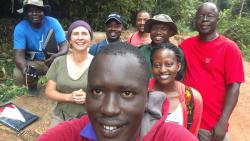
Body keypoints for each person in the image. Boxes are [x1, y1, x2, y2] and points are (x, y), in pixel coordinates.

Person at [37, 42, 198, 141]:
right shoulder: (73, 133)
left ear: (147, 100)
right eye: (98, 91)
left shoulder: (169, 137)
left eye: (126, 93)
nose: (109, 109)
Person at [179, 2, 245, 141]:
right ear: (195, 19)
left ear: (217, 20)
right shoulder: (186, 45)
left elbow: (234, 86)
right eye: (201, 16)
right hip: (187, 122)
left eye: (210, 16)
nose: (204, 20)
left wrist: (223, 122)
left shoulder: (230, 48)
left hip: (212, 126)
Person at [13, 0, 68, 96]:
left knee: (63, 78)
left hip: (52, 59)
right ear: (26, 13)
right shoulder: (20, 28)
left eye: (39, 10)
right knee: (19, 74)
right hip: (34, 61)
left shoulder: (53, 22)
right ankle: (32, 86)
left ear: (44, 12)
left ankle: (60, 86)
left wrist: (57, 56)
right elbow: (19, 55)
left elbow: (65, 46)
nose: (35, 14)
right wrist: (25, 69)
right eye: (31, 11)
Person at [45, 20, 94, 126]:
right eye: (75, 34)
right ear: (70, 40)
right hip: (61, 116)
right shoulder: (59, 61)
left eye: (84, 34)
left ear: (90, 39)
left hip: (91, 117)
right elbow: (49, 91)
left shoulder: (98, 63)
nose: (80, 37)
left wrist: (90, 98)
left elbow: (106, 94)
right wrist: (69, 97)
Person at [148, 43, 202, 136]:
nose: (163, 70)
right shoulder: (142, 90)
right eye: (157, 65)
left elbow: (191, 135)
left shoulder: (191, 98)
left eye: (168, 64)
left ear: (178, 66)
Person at [139, 14, 185, 79]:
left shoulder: (178, 53)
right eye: (154, 28)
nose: (158, 32)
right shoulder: (141, 51)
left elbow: (180, 78)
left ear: (170, 32)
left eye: (163, 29)